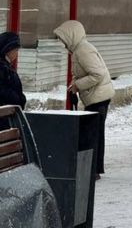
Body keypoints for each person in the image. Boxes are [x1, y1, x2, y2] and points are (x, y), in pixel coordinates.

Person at [54, 21, 115, 180]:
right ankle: (93, 169)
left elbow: (97, 74)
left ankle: (92, 170)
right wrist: (74, 85)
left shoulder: (83, 50)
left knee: (92, 134)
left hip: (98, 98)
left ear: (71, 36)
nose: (62, 43)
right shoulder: (78, 50)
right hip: (96, 96)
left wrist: (78, 86)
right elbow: (81, 73)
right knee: (94, 133)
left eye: (63, 38)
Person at [0, 32, 25, 111]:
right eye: (16, 50)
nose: (16, 54)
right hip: (5, 115)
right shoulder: (2, 67)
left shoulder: (7, 66)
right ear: (7, 50)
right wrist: (17, 99)